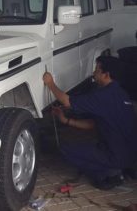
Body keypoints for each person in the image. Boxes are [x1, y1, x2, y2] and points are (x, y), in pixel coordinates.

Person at [43, 56, 137, 190]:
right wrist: (66, 120)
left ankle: (110, 174)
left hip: (116, 155)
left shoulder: (104, 96)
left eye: (97, 70)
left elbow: (67, 101)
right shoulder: (121, 93)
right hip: (130, 155)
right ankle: (121, 168)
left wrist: (50, 83)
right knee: (91, 148)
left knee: (65, 149)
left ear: (106, 75)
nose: (94, 73)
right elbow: (93, 123)